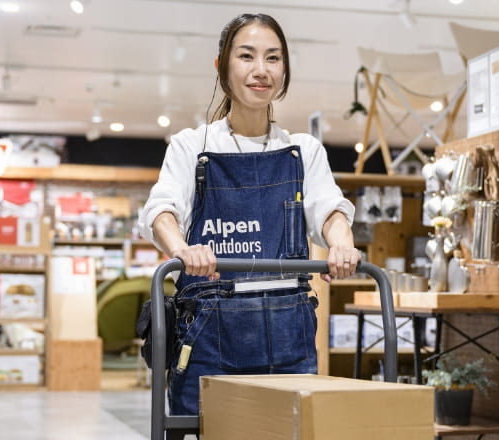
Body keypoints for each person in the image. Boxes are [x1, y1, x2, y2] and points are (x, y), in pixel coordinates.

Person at [138, 13, 361, 415]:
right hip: (206, 338)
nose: (261, 70)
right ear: (221, 66)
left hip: (290, 337)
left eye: (273, 58)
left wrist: (342, 244)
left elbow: (329, 208)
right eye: (246, 56)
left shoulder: (303, 151)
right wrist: (183, 249)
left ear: (284, 69)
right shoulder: (192, 147)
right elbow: (162, 209)